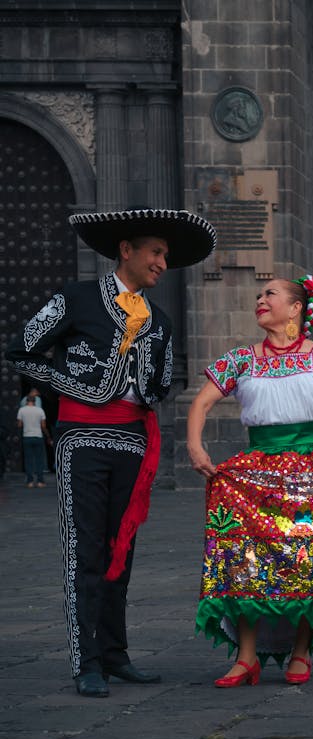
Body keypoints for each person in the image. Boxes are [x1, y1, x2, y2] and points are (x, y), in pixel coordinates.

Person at [6, 207, 216, 697]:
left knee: (121, 551)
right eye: (156, 252)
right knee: (85, 551)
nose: (163, 263)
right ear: (127, 250)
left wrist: (147, 370)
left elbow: (162, 386)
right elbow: (22, 352)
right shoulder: (74, 299)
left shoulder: (160, 322)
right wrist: (72, 385)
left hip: (132, 444)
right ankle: (88, 661)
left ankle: (116, 654)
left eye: (166, 255)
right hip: (81, 440)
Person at [187, 274, 313, 687]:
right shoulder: (241, 359)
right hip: (256, 473)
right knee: (242, 558)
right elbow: (202, 402)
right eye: (259, 295)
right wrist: (195, 446)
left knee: (308, 558)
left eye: (269, 294)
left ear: (296, 308)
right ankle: (246, 657)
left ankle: (301, 650)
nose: (260, 300)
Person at [16, 394, 52, 487]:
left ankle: (30, 482)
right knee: (39, 459)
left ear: (26, 401)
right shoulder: (40, 410)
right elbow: (43, 426)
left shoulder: (22, 410)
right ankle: (40, 481)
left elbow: (19, 425)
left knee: (29, 460)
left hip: (27, 436)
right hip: (38, 436)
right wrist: (48, 436)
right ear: (35, 401)